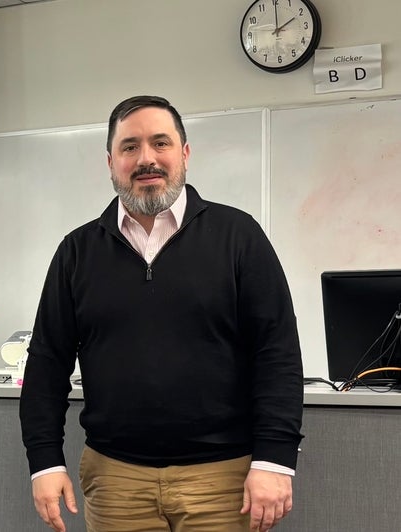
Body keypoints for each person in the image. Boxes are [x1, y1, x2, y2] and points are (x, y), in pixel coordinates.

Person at [19, 95, 303, 532]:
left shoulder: (238, 236)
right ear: (110, 161)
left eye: (160, 143)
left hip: (224, 478)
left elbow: (277, 352)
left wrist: (275, 459)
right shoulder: (77, 251)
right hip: (115, 480)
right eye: (129, 147)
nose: (146, 158)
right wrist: (44, 462)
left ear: (185, 154)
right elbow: (47, 363)